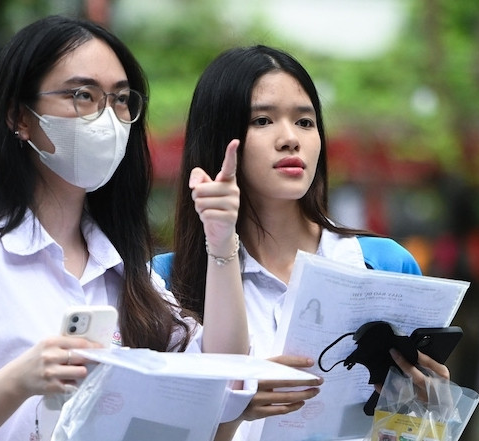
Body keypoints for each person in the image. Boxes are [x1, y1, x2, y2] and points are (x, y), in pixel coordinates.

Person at [0, 15, 248, 441]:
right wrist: (18, 381)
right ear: (19, 117)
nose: (108, 118)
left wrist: (222, 243)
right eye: (82, 95)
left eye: (119, 99)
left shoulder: (126, 270)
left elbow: (222, 384)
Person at [152, 45, 449, 440]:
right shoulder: (165, 282)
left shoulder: (385, 265)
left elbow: (419, 431)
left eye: (305, 122)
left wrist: (430, 407)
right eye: (262, 120)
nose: (291, 139)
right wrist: (235, 411)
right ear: (219, 136)